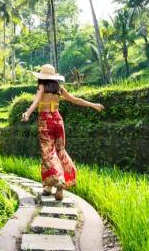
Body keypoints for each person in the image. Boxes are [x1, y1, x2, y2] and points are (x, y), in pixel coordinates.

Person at [21, 64, 104, 201]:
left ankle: (59, 180)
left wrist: (27, 113)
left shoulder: (41, 87)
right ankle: (48, 187)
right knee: (60, 151)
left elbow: (36, 102)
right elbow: (75, 100)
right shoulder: (59, 88)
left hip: (45, 121)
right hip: (58, 121)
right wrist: (93, 105)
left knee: (48, 152)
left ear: (42, 77)